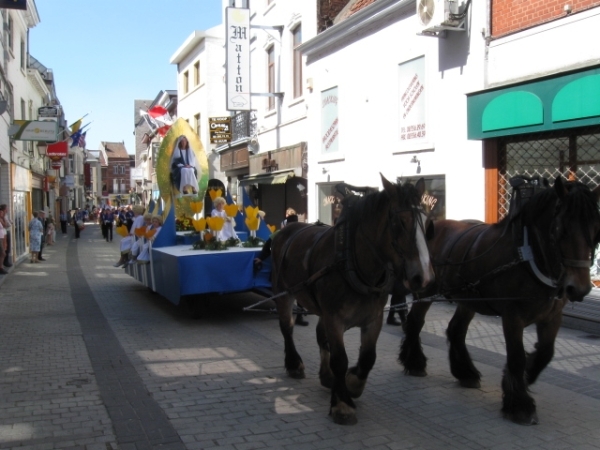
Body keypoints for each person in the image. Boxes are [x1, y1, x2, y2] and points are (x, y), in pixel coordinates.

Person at [253, 214, 308, 326]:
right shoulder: (279, 234)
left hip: (296, 268)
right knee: (282, 292)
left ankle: (300, 316)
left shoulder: (301, 235)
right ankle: (284, 314)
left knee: (300, 292)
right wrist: (261, 258)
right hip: (282, 268)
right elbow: (267, 246)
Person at [0, 207, 8, 274]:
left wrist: (4, 217)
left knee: (3, 252)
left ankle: (1, 266)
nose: (2, 214)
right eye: (1, 213)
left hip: (2, 237)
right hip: (0, 238)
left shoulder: (1, 219)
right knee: (3, 253)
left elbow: (5, 225)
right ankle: (1, 267)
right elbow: (5, 225)